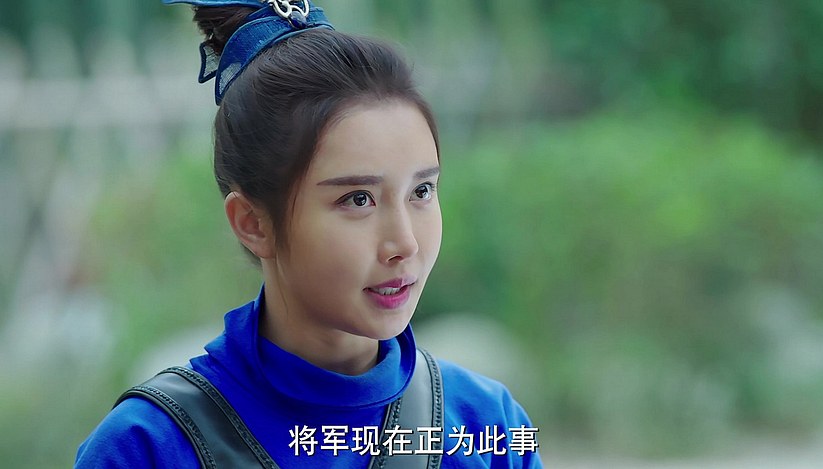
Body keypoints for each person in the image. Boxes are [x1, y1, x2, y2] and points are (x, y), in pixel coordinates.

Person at [75, 1, 542, 467]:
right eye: (358, 199)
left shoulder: (485, 425)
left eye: (421, 191)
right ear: (253, 223)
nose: (405, 244)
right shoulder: (149, 446)